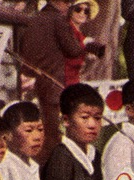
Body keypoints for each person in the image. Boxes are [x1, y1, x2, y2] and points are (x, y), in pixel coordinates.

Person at [20, 0, 98, 162]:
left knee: (48, 131)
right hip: (56, 84)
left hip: (39, 82)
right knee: (56, 134)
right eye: (71, 4)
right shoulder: (59, 20)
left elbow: (25, 51)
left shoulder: (36, 18)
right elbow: (73, 50)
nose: (69, 6)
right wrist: (85, 44)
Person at [63, 0, 105, 86]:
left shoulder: (80, 34)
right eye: (78, 9)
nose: (82, 13)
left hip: (74, 78)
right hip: (63, 79)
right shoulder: (66, 29)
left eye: (86, 11)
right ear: (71, 11)